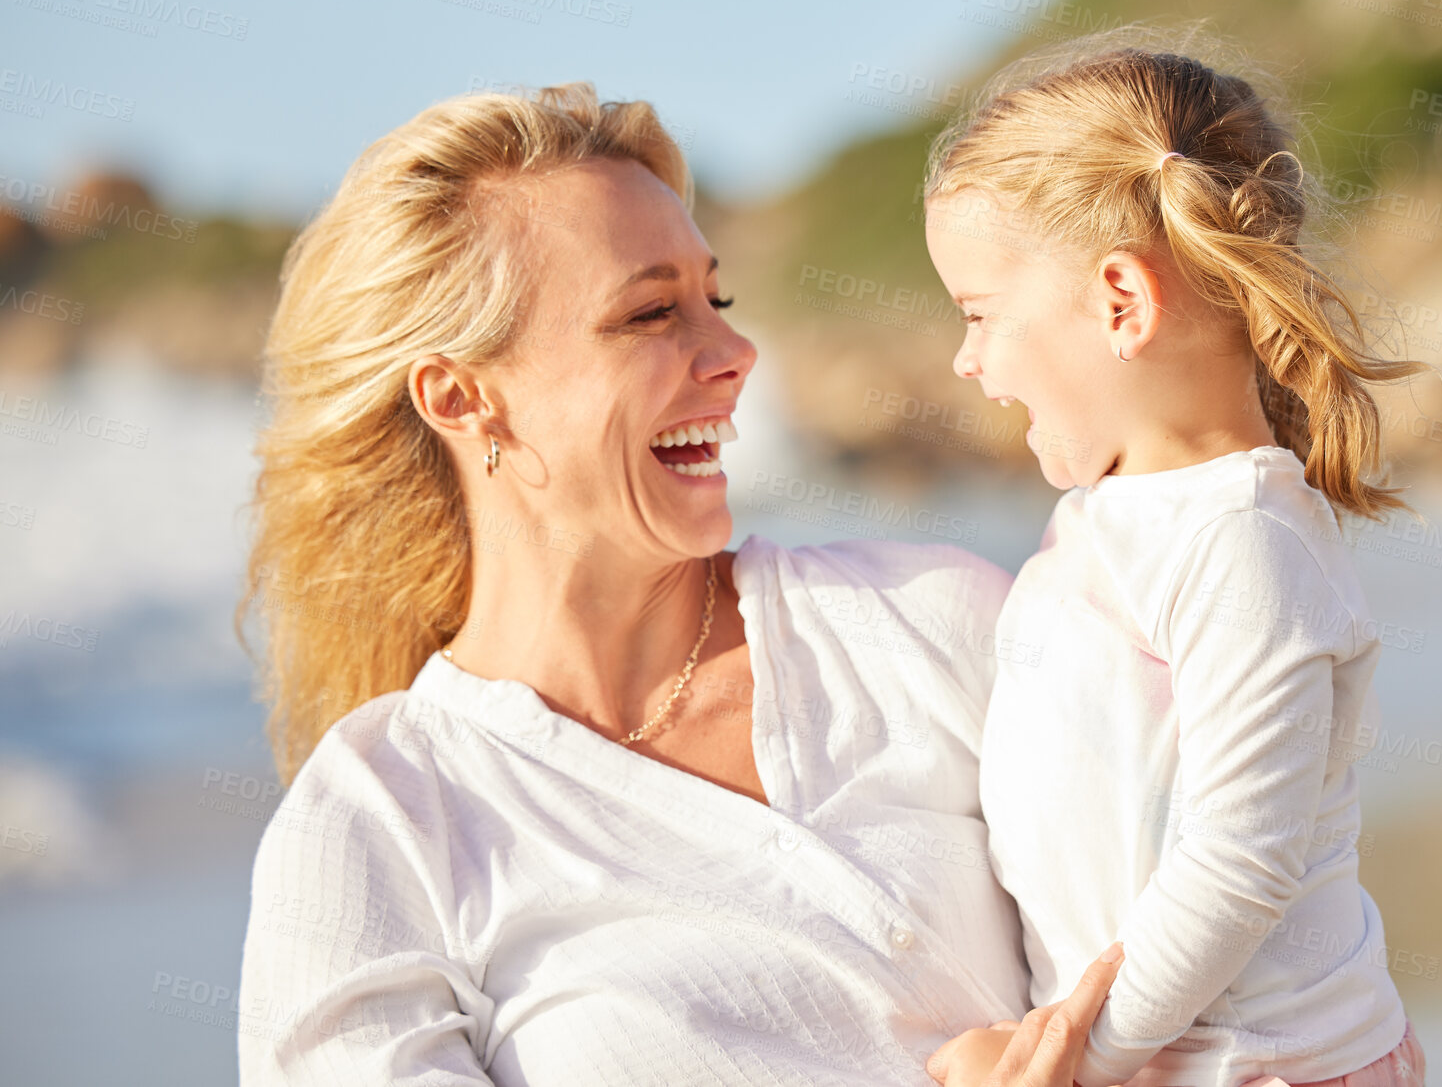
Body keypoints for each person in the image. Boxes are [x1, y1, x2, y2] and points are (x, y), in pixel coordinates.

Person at [235, 81, 1120, 1085]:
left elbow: (1228, 982)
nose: (737, 354)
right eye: (653, 311)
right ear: (463, 396)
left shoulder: (930, 626)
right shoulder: (380, 824)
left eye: (718, 298)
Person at [921, 31, 1429, 1087]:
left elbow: (1241, 860)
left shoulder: (1245, 539)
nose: (967, 360)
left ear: (1122, 302)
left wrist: (1083, 1058)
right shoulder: (1111, 512)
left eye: (980, 316)